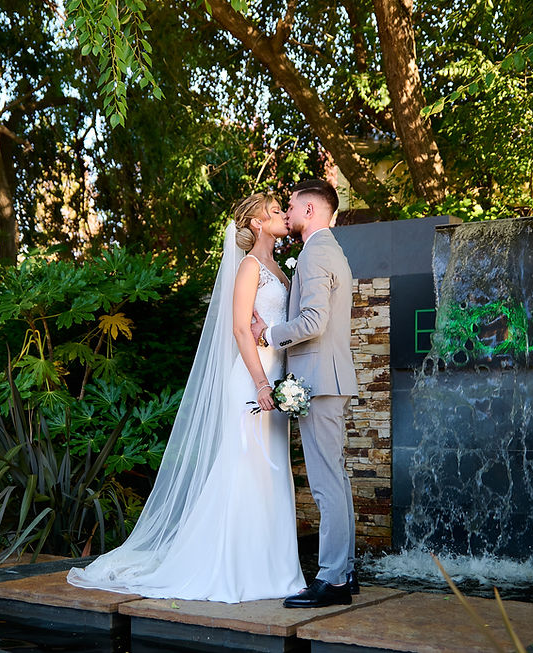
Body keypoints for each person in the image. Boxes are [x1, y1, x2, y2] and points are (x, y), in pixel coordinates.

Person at [66, 192, 305, 603]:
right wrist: (262, 383)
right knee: (248, 471)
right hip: (252, 382)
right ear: (256, 224)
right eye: (274, 211)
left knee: (271, 475)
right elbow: (238, 330)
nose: (284, 214)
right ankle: (236, 570)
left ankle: (273, 568)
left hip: (277, 379)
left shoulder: (280, 271)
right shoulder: (249, 267)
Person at [251, 178, 359, 609]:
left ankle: (332, 579)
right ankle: (345, 573)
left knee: (325, 483)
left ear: (311, 210)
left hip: (320, 380)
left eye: (292, 205)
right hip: (330, 379)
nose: (289, 212)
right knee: (337, 478)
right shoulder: (330, 250)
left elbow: (313, 321)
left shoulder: (315, 255)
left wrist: (270, 333)